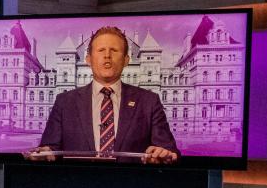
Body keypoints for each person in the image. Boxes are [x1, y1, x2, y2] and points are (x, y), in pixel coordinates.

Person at [34, 26, 179, 163]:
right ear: (88, 59)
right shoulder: (64, 101)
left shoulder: (149, 101)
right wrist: (46, 152)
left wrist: (164, 154)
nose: (107, 56)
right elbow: (50, 148)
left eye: (114, 50)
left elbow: (170, 151)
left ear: (126, 60)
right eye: (101, 50)